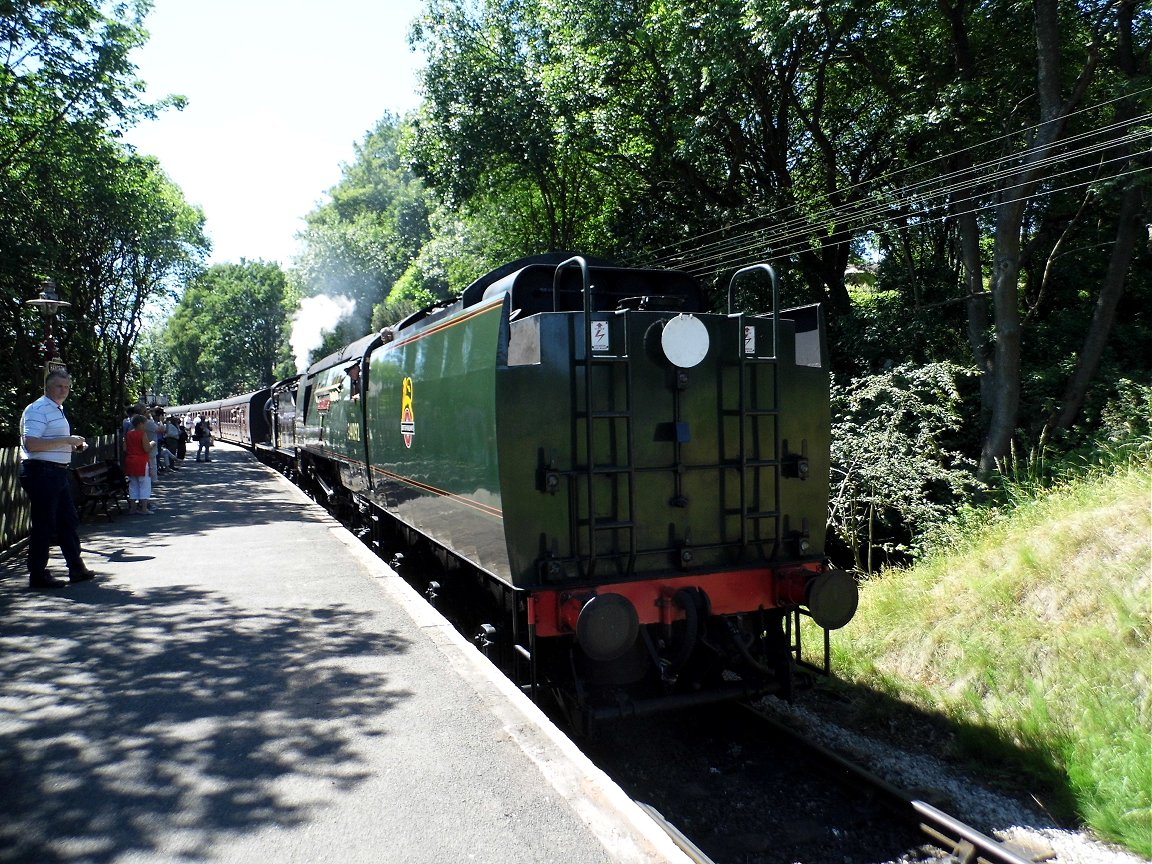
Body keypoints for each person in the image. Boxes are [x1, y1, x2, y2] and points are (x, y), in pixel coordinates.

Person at [18, 369, 96, 589]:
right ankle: (38, 574)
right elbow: (31, 444)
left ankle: (76, 568)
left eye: (67, 387)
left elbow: (51, 441)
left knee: (67, 521)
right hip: (41, 471)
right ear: (48, 387)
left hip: (55, 472)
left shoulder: (57, 409)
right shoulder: (38, 409)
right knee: (45, 524)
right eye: (59, 386)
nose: (64, 390)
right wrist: (66, 440)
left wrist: (73, 445)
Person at [123, 414, 155, 514]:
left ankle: (133, 508)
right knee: (144, 484)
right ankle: (144, 509)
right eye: (144, 424)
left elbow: (124, 448)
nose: (145, 426)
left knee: (133, 485)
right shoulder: (142, 434)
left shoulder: (128, 434)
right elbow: (146, 448)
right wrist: (152, 443)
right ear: (140, 424)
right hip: (141, 461)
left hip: (130, 461)